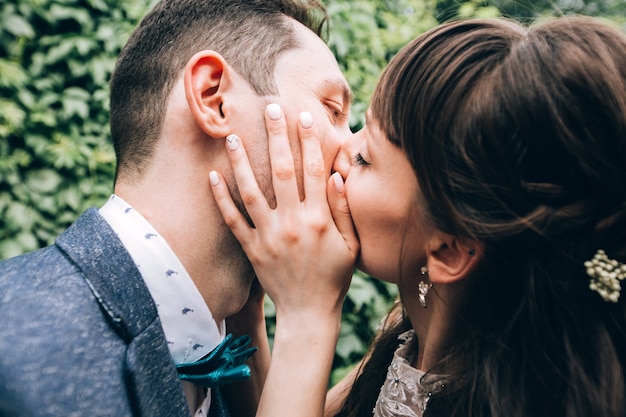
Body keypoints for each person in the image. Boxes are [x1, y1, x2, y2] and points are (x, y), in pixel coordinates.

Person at [209, 15, 626, 417]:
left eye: (365, 158)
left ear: (450, 252)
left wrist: (308, 315)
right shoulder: (412, 347)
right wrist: (247, 308)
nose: (338, 153)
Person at [0, 0, 353, 416]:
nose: (351, 151)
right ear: (213, 98)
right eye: (332, 111)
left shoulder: (229, 354)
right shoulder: (14, 345)